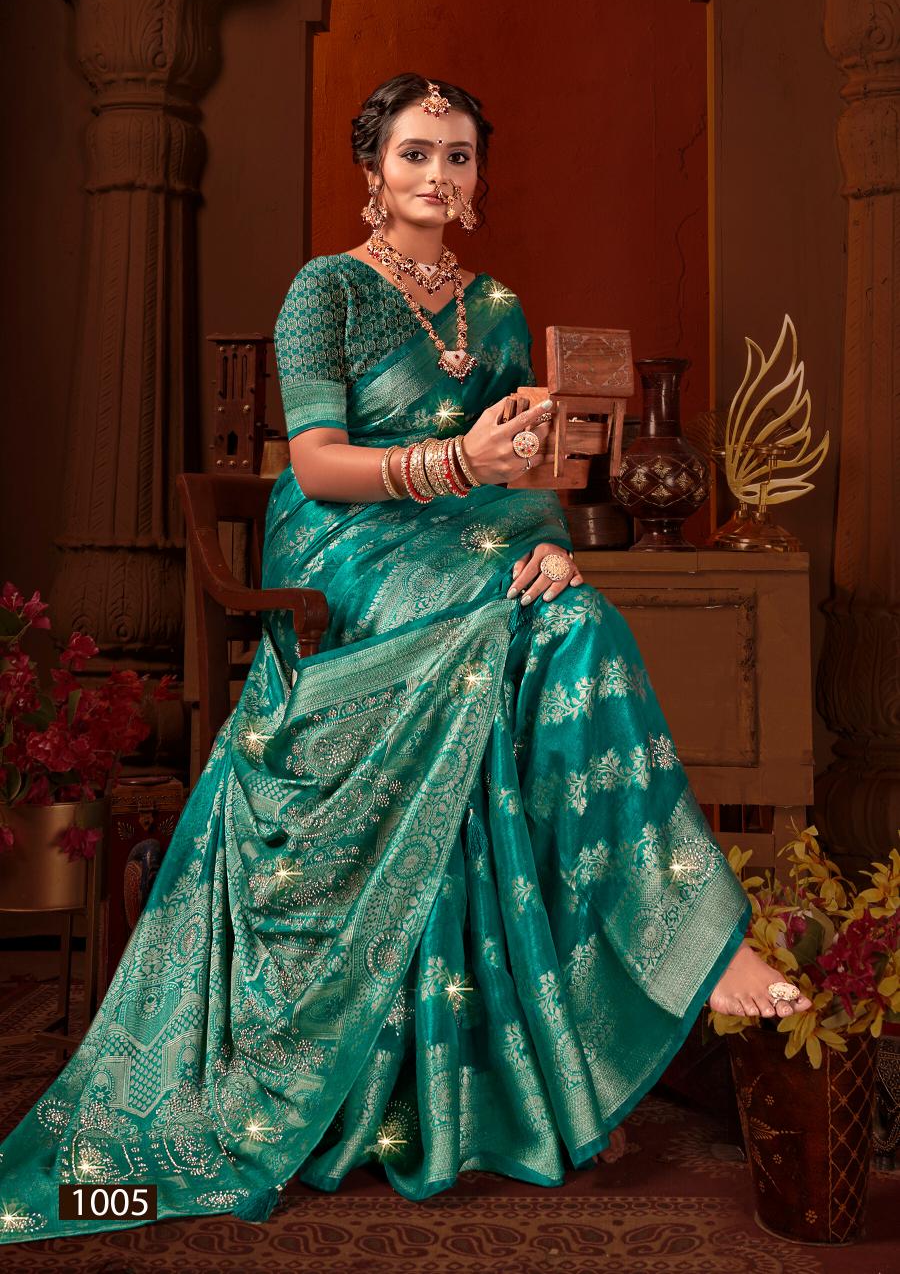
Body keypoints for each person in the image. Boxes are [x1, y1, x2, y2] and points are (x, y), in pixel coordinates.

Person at [0, 73, 810, 1246]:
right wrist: (455, 468)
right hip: (349, 548)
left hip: (471, 543)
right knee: (499, 626)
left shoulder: (497, 307)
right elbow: (316, 461)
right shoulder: (324, 290)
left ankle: (696, 944)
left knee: (575, 621)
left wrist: (548, 545)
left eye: (459, 155)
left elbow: (525, 460)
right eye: (417, 152)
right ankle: (694, 947)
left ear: (479, 176)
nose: (439, 174)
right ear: (373, 170)